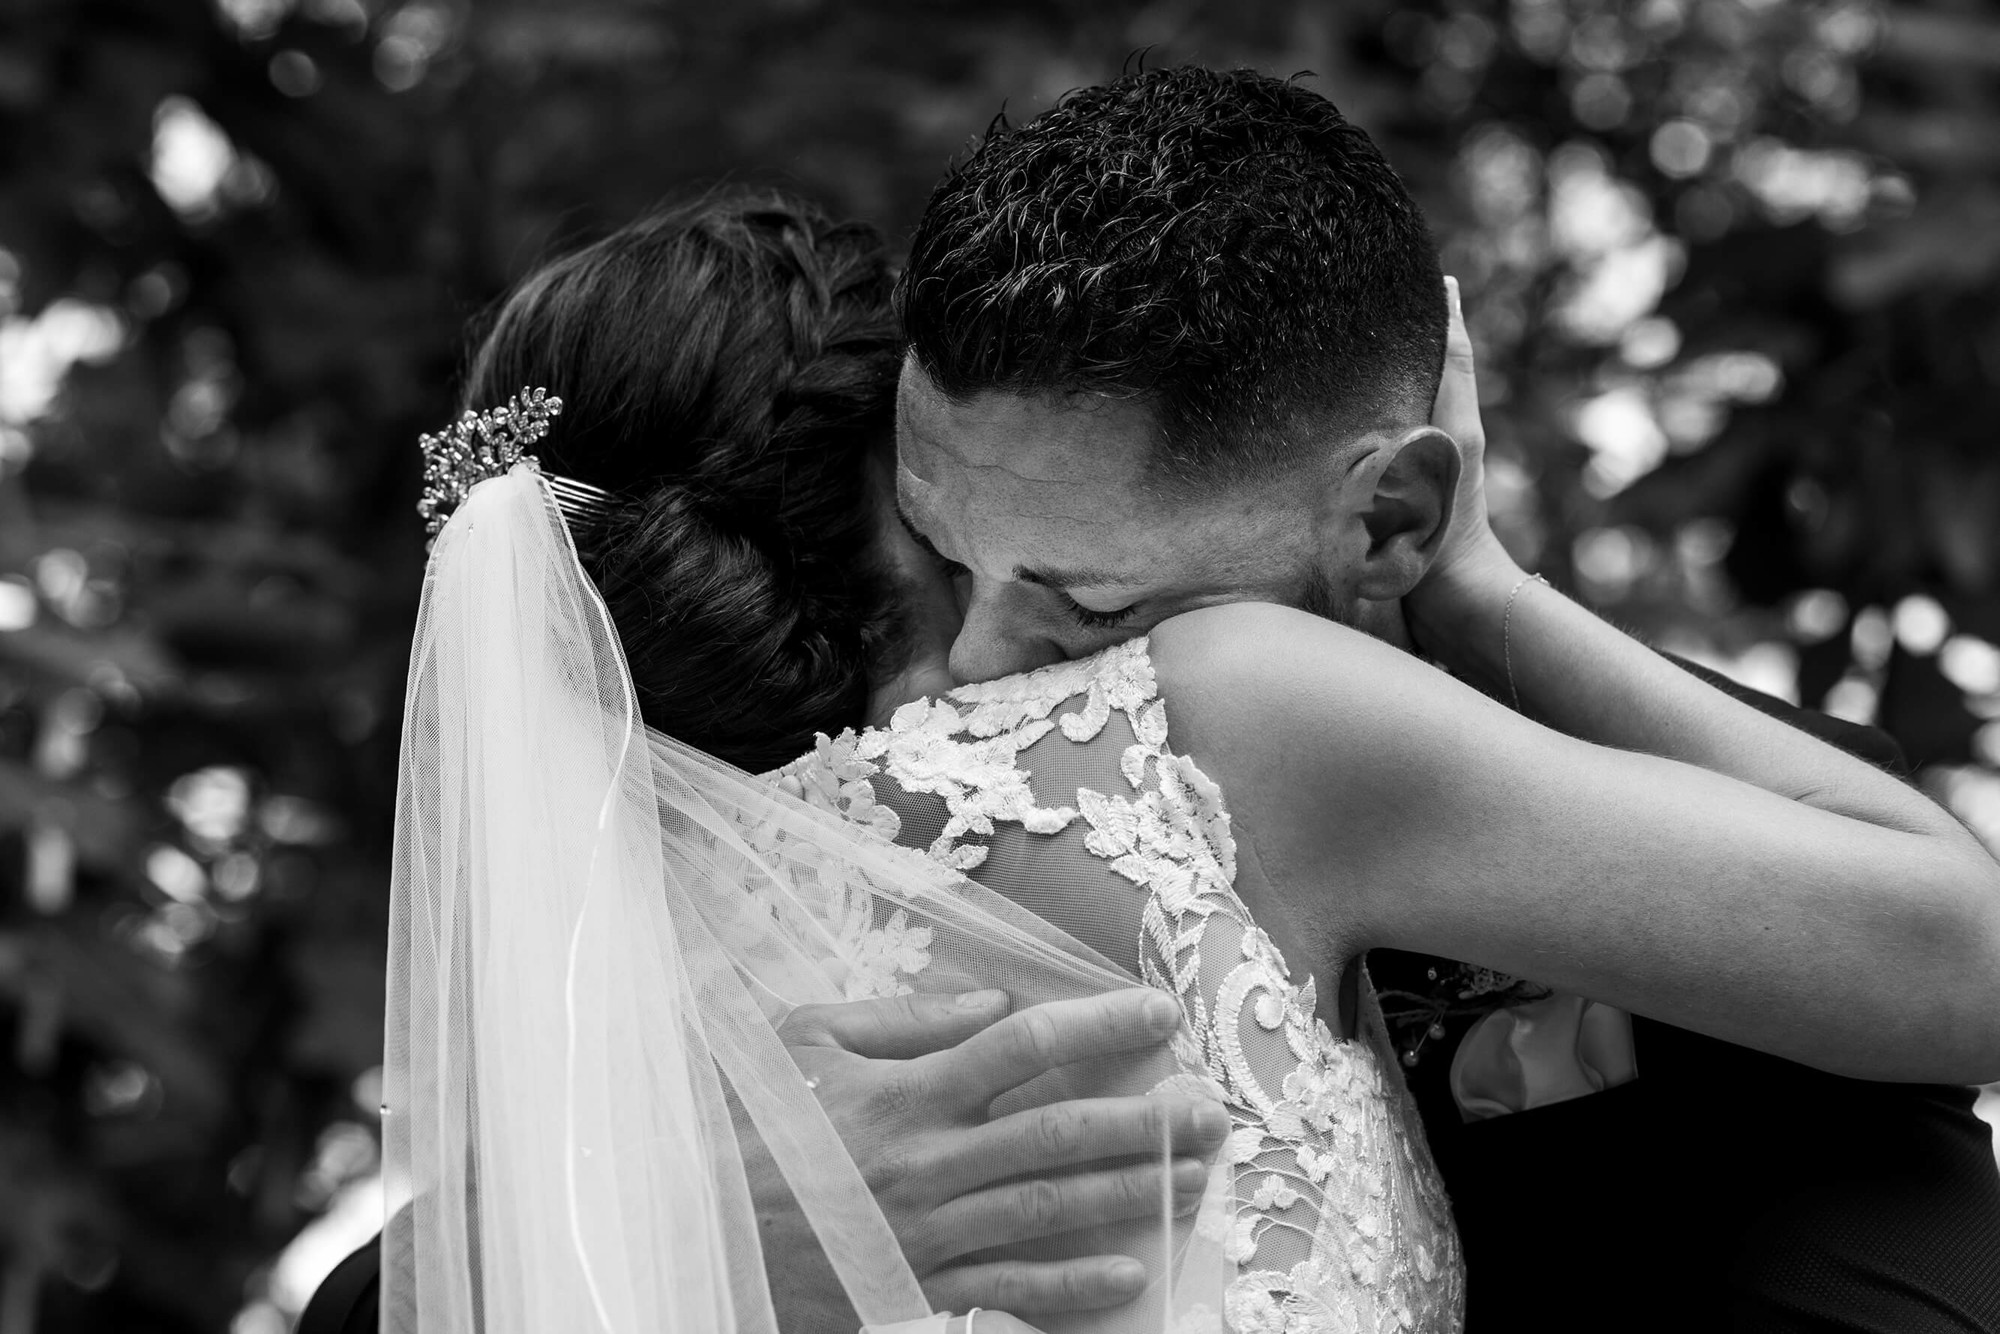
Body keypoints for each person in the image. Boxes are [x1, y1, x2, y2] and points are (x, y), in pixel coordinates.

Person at [307, 169, 2000, 1331]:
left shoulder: (618, 1013)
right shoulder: (1210, 723)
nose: (1020, 630)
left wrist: (643, 1247)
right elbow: (1966, 957)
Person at [890, 66, 2000, 1332]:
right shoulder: (997, 807)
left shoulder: (1769, 796)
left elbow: (1976, 978)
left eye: (1087, 606)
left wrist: (1480, 590)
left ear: (1393, 514)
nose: (970, 666)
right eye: (937, 556)